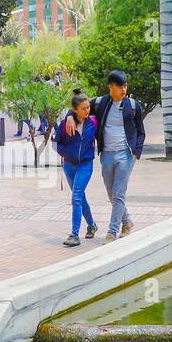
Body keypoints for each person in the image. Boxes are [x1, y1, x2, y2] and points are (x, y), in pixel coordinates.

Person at [70, 69, 146, 242]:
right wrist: (69, 116)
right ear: (110, 87)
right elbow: (80, 106)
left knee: (119, 194)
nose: (124, 90)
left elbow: (141, 132)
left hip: (126, 155)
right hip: (106, 155)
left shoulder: (133, 106)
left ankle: (112, 231)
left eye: (125, 86)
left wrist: (136, 153)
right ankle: (127, 222)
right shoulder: (100, 103)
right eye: (120, 86)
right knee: (111, 193)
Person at [52, 91, 98, 247]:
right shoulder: (66, 124)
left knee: (76, 197)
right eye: (83, 108)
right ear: (75, 109)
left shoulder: (93, 122)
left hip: (85, 165)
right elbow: (55, 143)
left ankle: (74, 235)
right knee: (80, 197)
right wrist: (66, 153)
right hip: (69, 166)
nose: (87, 111)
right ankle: (92, 225)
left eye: (88, 107)